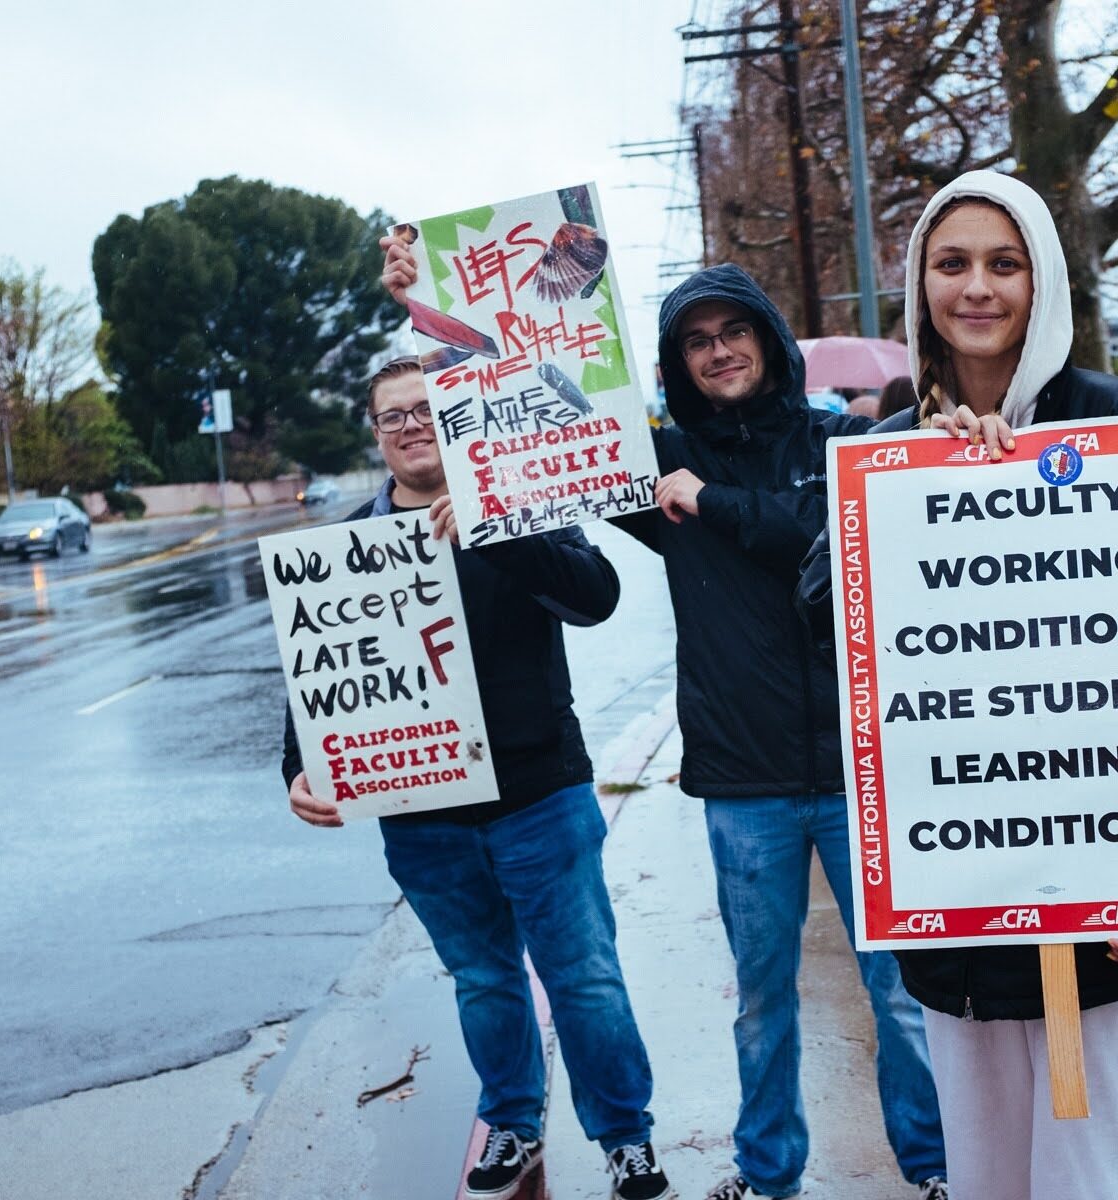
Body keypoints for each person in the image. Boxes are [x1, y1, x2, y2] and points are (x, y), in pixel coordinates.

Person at [384, 233, 949, 1199]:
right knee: (763, 1006)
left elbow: (831, 531)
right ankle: (768, 1178)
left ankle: (937, 1171)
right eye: (697, 341)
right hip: (742, 784)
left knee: (901, 999)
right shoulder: (655, 461)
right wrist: (426, 305)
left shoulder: (843, 445)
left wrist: (714, 502)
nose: (720, 350)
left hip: (866, 770)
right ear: (676, 364)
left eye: (736, 331)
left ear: (769, 340)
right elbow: (529, 414)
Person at [799, 170, 1118, 1200]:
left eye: (1004, 263)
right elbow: (821, 617)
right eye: (952, 264)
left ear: (1043, 281)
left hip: (1102, 889)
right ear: (919, 286)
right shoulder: (887, 446)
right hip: (964, 887)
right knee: (990, 1169)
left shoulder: (1116, 416)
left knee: (1106, 1166)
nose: (976, 288)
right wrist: (917, 491)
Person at [281, 356, 675, 1200]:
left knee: (585, 978)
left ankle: (626, 1140)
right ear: (377, 436)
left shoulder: (514, 504)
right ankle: (514, 1127)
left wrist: (505, 530)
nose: (412, 425)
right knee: (484, 982)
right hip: (422, 818)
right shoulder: (345, 546)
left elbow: (596, 595)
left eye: (427, 409)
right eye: (394, 416)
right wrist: (296, 768)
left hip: (541, 798)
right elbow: (319, 671)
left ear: (456, 419)